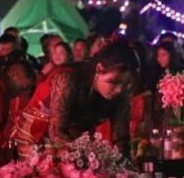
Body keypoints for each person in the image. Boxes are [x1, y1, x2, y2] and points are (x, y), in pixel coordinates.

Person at [10, 43, 138, 161]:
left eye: (126, 84)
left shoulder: (122, 93)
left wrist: (125, 169)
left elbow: (122, 140)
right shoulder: (67, 78)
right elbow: (57, 132)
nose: (119, 90)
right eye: (114, 82)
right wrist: (90, 159)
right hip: (40, 129)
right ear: (99, 69)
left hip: (75, 133)